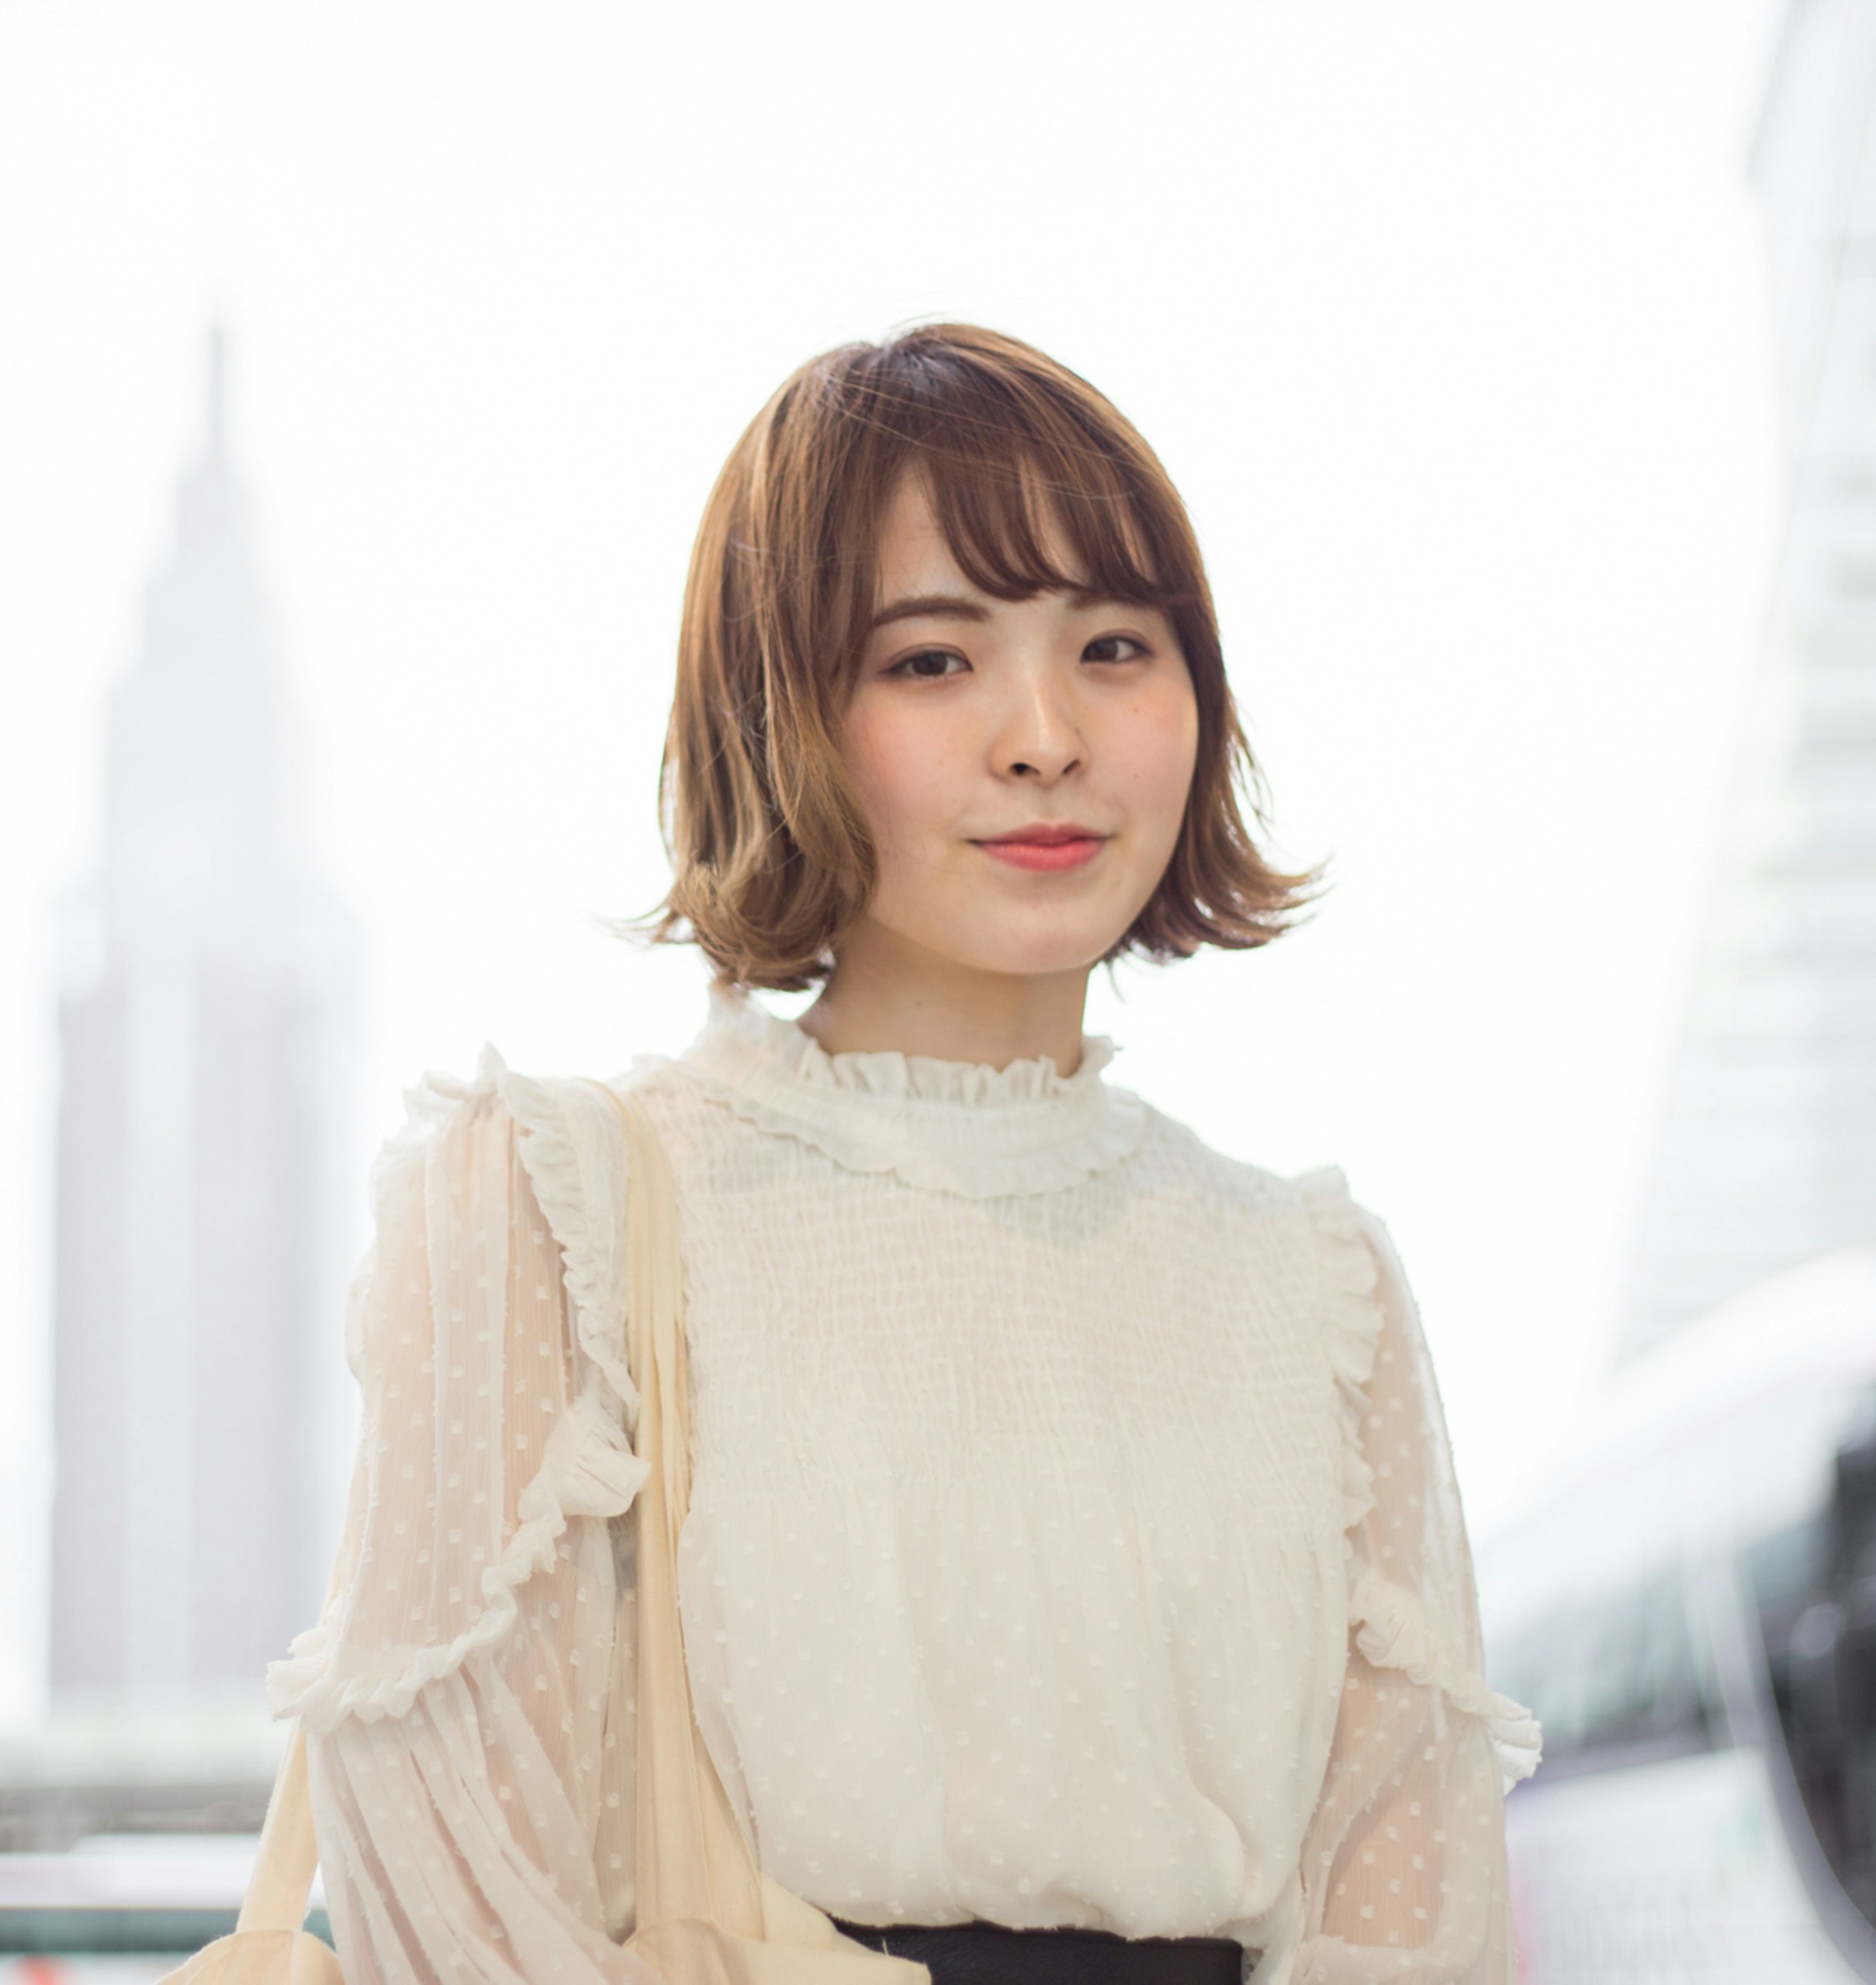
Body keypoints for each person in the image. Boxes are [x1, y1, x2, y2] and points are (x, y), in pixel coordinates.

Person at [265, 324, 1538, 1985]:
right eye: (931, 660)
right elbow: (458, 1898)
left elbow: (1409, 1906)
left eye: (1116, 646)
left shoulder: (1314, 1282)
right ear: (778, 709)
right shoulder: (559, 1207)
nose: (1043, 735)